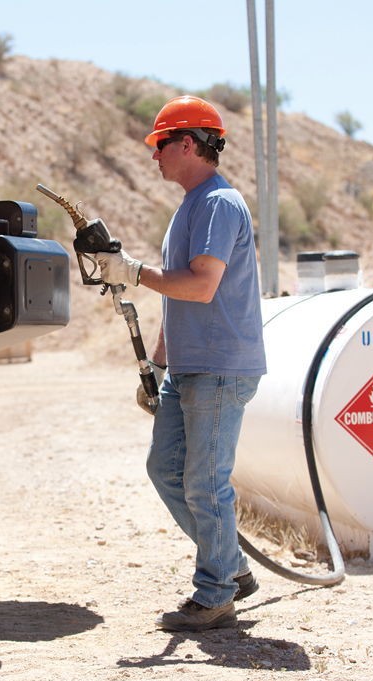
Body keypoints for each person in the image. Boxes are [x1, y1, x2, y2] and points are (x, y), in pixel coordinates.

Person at [94, 96, 267, 632]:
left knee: (205, 483)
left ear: (187, 144)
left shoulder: (218, 204)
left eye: (161, 144)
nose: (155, 155)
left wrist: (133, 271)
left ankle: (215, 595)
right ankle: (231, 567)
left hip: (219, 368)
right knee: (166, 470)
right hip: (189, 368)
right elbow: (178, 298)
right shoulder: (191, 206)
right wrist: (158, 366)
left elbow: (201, 286)